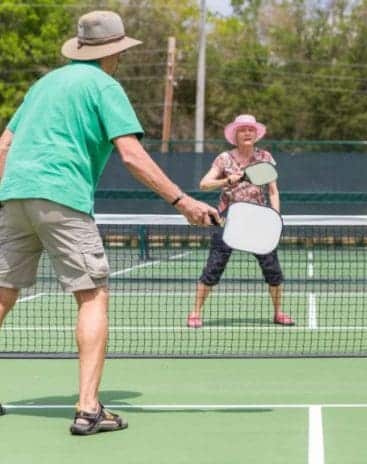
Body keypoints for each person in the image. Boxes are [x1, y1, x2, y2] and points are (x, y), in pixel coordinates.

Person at [0, 11, 219, 435]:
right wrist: (182, 200)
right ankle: (88, 408)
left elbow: (4, 143)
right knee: (92, 295)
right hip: (62, 196)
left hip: (14, 195)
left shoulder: (43, 84)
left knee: (3, 293)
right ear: (113, 52)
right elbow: (132, 155)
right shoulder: (105, 85)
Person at [186, 114, 295, 328]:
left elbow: (273, 191)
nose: (247, 133)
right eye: (243, 130)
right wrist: (227, 180)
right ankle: (195, 313)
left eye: (251, 130)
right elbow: (204, 184)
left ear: (256, 134)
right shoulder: (224, 159)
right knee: (213, 267)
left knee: (273, 270)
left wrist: (276, 218)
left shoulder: (264, 157)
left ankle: (278, 312)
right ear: (235, 135)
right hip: (228, 220)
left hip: (259, 221)